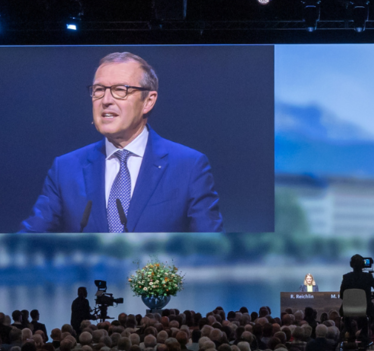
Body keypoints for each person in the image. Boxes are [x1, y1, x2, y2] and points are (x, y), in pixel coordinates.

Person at [20, 51, 223, 233]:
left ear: (148, 101)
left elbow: (211, 250)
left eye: (120, 89)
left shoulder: (188, 166)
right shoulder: (65, 169)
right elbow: (28, 243)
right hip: (92, 277)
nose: (106, 100)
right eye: (99, 90)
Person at [340, 255, 374, 345]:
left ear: (351, 265)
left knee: (346, 320)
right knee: (373, 316)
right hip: (366, 309)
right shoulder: (368, 277)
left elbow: (342, 295)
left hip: (347, 309)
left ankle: (349, 336)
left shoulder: (346, 277)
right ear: (363, 265)